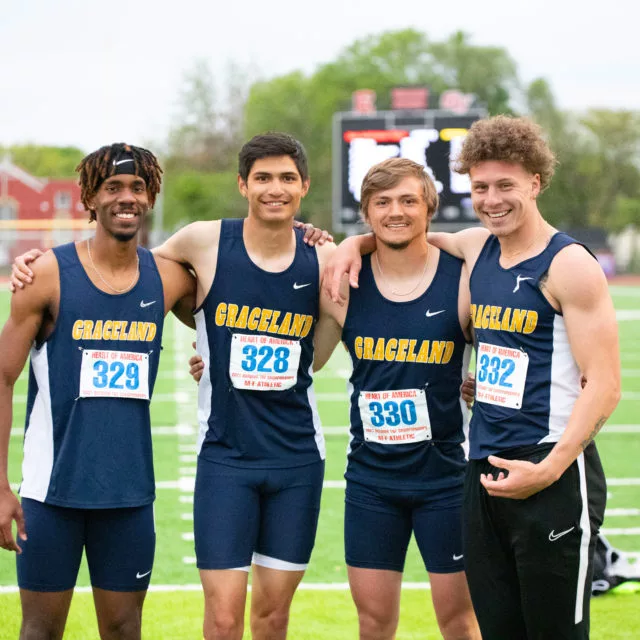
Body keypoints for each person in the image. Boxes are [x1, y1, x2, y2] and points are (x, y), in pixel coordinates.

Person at [323, 115, 621, 639]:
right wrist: (351, 245)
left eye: (505, 185)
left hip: (549, 467)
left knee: (554, 631)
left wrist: (550, 469)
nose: (491, 199)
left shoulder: (568, 263)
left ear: (536, 181)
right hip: (482, 470)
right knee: (498, 627)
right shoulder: (478, 249)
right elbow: (400, 232)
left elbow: (605, 384)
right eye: (480, 187)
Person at [0, 143, 196, 640]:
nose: (125, 197)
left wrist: (316, 237)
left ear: (150, 196)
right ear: (90, 197)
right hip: (51, 496)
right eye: (112, 187)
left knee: (125, 629)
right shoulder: (45, 274)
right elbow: (2, 377)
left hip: (129, 496)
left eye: (136, 187)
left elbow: (240, 303)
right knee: (40, 631)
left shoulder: (169, 277)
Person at [315, 157, 480, 639]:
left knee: (459, 621)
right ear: (366, 212)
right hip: (372, 482)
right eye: (382, 202)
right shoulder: (342, 285)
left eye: (409, 200)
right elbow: (307, 362)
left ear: (429, 208)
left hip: (446, 481)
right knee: (373, 624)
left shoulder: (461, 278)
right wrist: (210, 362)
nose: (396, 212)